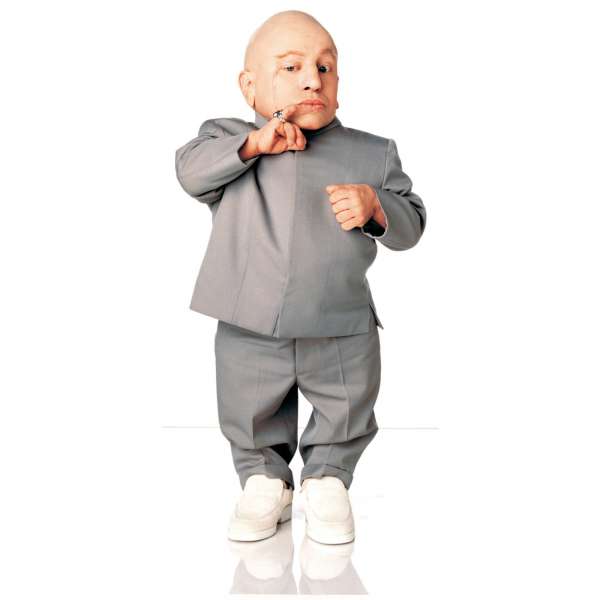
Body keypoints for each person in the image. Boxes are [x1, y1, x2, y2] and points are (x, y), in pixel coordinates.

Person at [174, 10, 426, 544]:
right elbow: (190, 173)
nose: (313, 79)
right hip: (249, 316)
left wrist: (377, 206)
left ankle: (329, 476)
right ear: (249, 87)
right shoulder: (226, 140)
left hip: (340, 319)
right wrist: (253, 145)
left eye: (325, 67)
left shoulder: (372, 152)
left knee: (347, 400)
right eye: (291, 67)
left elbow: (412, 224)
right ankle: (263, 478)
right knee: (247, 401)